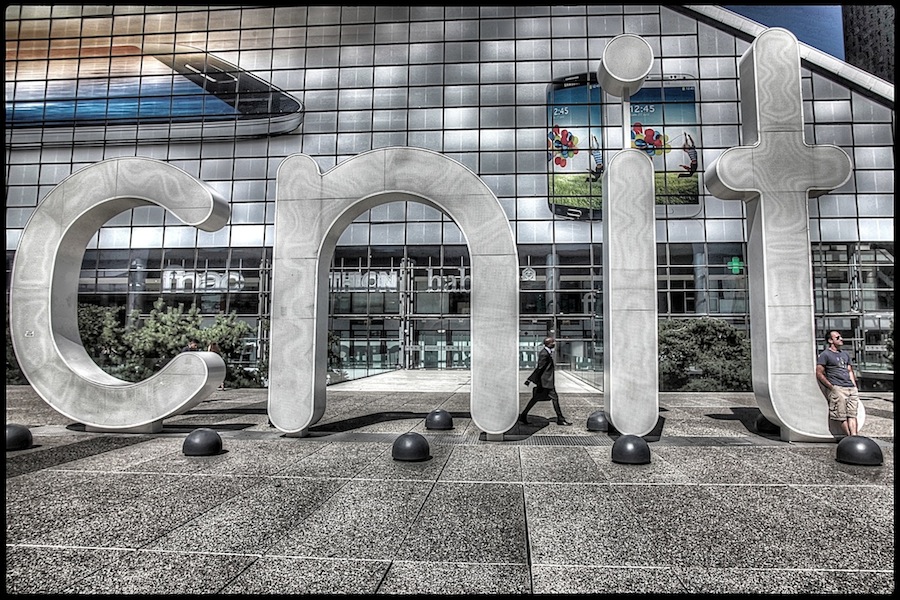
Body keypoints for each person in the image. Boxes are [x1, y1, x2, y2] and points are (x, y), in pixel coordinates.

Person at [519, 336, 572, 426]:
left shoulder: (547, 352)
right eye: (552, 342)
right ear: (548, 344)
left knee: (535, 399)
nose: (554, 343)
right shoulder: (544, 354)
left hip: (545, 382)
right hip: (546, 382)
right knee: (555, 399)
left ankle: (523, 415)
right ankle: (560, 419)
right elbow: (540, 368)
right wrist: (530, 379)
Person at [816, 330, 859, 436]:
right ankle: (849, 437)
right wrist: (832, 387)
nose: (841, 339)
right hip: (838, 388)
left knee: (852, 414)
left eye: (841, 337)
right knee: (841, 415)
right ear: (830, 340)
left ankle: (854, 436)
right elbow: (819, 373)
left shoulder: (845, 354)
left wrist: (854, 386)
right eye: (837, 338)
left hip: (850, 388)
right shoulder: (825, 355)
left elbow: (849, 370)